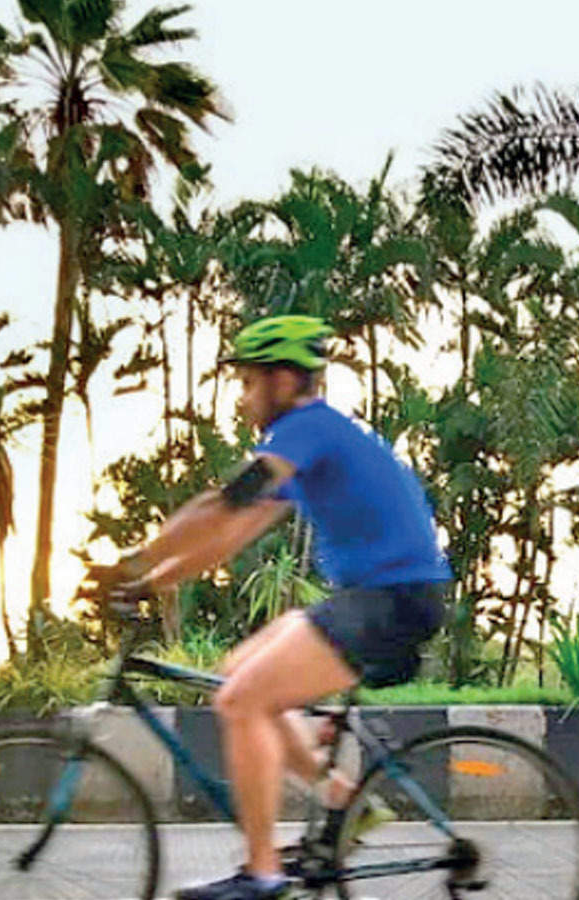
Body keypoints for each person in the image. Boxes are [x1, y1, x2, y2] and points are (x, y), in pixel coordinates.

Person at [92, 314, 452, 900]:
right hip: (379, 597)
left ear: (284, 381)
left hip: (391, 600)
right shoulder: (309, 444)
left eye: (249, 381)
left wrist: (135, 560)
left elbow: (223, 502)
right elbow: (232, 532)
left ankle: (261, 876)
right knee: (237, 673)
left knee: (243, 700)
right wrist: (151, 581)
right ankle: (344, 803)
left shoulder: (308, 429)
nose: (243, 396)